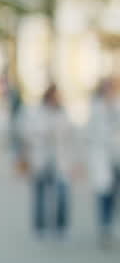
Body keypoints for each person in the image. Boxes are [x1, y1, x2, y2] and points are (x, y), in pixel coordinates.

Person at [19, 83, 77, 240]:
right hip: (41, 160)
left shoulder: (63, 114)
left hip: (60, 161)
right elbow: (27, 133)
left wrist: (74, 163)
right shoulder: (36, 113)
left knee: (62, 194)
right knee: (39, 195)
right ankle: (40, 227)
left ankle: (61, 227)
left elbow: (70, 138)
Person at [87, 77, 119, 248]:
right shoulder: (96, 108)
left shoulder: (117, 105)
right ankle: (104, 227)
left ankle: (113, 225)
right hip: (103, 158)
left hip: (116, 158)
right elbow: (92, 135)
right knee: (104, 194)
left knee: (115, 195)